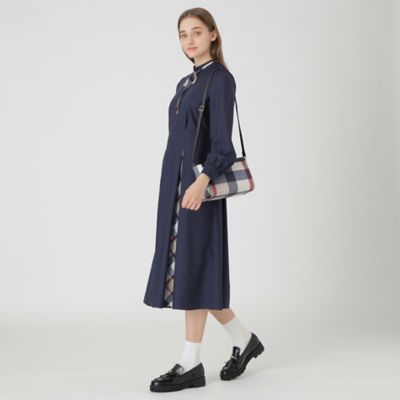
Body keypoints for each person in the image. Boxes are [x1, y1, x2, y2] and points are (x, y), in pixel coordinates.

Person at [143, 7, 265, 392]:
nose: (189, 40)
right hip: (176, 187)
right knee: (191, 270)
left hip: (198, 188)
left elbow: (222, 145)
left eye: (196, 32)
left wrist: (202, 181)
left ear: (213, 34)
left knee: (194, 269)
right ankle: (244, 339)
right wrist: (178, 186)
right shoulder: (186, 82)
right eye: (183, 34)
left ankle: (190, 362)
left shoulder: (220, 80)